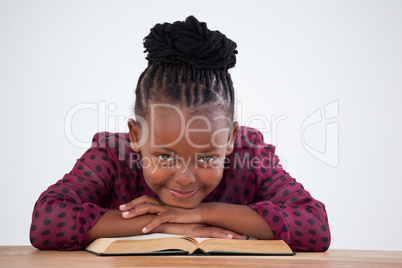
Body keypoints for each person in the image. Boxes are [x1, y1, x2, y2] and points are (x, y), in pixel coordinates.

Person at [30, 16, 331, 252]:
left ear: (229, 140)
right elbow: (48, 220)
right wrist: (161, 224)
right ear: (136, 135)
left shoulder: (248, 154)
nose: (186, 178)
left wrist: (203, 213)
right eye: (164, 156)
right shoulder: (113, 154)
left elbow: (315, 225)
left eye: (206, 158)